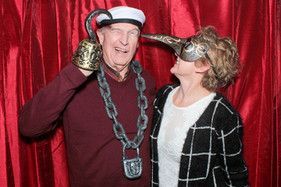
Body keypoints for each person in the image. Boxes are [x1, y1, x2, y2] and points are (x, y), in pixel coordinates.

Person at [19, 6, 155, 187]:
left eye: (132, 33)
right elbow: (29, 126)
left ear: (138, 41)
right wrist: (76, 73)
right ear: (100, 36)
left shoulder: (146, 81)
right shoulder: (74, 80)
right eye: (116, 31)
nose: (124, 41)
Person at [142, 26, 248, 186]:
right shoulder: (164, 95)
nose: (176, 53)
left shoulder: (221, 113)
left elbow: (236, 176)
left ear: (203, 66)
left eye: (186, 51)